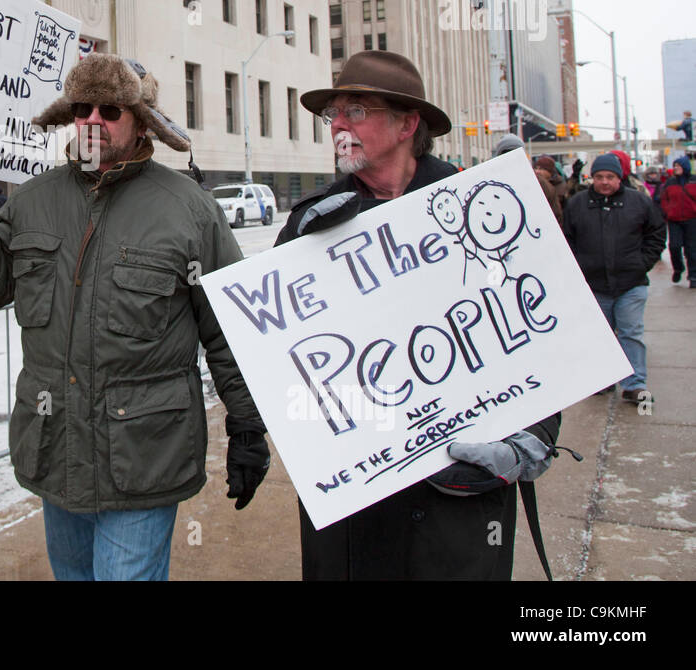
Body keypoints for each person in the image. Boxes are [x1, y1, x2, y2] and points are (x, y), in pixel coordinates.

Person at [0, 53, 270, 581]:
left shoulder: (188, 209)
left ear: (141, 121)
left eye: (111, 110)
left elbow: (229, 329)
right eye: (83, 108)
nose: (93, 119)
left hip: (144, 457)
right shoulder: (32, 200)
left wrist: (248, 426)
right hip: (58, 450)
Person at [276, 51, 561, 580]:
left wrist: (535, 435)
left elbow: (542, 330)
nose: (337, 125)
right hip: (355, 505)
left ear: (408, 124)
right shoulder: (309, 225)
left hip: (458, 491)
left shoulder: (481, 207)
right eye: (332, 114)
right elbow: (275, 353)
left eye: (355, 111)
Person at [563, 154, 666, 404]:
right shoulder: (578, 204)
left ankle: (635, 383)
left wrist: (642, 263)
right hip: (595, 285)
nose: (605, 182)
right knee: (601, 335)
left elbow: (656, 233)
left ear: (619, 178)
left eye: (610, 177)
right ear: (592, 178)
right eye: (599, 177)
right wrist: (579, 268)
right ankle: (604, 379)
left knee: (631, 333)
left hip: (631, 284)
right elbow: (567, 239)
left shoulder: (638, 202)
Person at [656, 156, 696, 287]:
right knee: (674, 246)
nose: (676, 168)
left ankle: (693, 276)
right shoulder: (670, 182)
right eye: (675, 166)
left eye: (678, 165)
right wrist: (667, 212)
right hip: (674, 220)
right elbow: (663, 198)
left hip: (692, 219)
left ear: (685, 167)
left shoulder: (693, 180)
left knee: (692, 248)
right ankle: (678, 269)